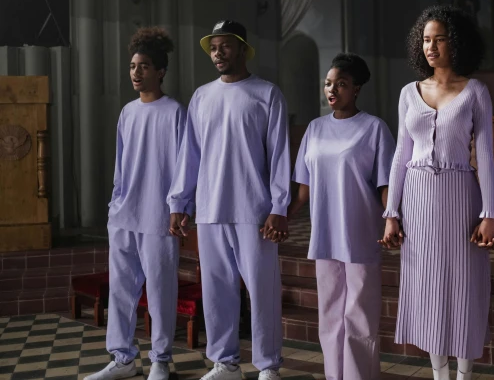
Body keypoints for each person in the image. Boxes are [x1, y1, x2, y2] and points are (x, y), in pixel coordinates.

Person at [380, 5, 494, 380]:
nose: (431, 46)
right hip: (416, 201)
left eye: (440, 39)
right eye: (426, 40)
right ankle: (438, 374)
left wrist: (491, 213)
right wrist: (391, 213)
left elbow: (484, 155)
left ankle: (464, 375)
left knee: (464, 286)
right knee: (426, 286)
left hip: (462, 197)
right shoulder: (408, 93)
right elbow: (401, 154)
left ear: (457, 42)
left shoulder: (475, 91)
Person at [167, 20, 290, 380]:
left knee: (262, 291)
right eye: (213, 48)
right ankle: (225, 362)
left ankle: (268, 365)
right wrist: (179, 203)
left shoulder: (267, 94)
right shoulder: (202, 96)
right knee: (217, 291)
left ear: (241, 48)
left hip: (254, 210)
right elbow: (188, 156)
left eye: (224, 46)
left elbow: (280, 155)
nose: (217, 53)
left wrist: (278, 207)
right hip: (210, 208)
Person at [281, 53, 395, 380]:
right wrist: (283, 218)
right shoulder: (315, 129)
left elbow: (384, 183)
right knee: (330, 317)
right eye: (329, 84)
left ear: (356, 89)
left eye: (341, 84)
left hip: (361, 233)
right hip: (325, 237)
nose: (332, 90)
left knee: (359, 318)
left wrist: (391, 218)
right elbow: (303, 190)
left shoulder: (374, 129)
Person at [87, 28, 185, 380]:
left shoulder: (175, 112)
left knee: (160, 291)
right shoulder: (127, 112)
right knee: (121, 290)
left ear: (160, 70)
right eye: (132, 66)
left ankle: (160, 359)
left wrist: (178, 207)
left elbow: (182, 168)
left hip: (158, 217)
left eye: (143, 66)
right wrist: (115, 206)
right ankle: (123, 358)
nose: (135, 72)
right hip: (124, 216)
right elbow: (121, 165)